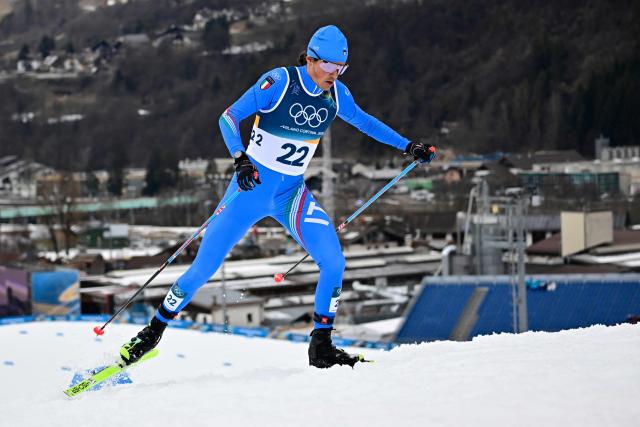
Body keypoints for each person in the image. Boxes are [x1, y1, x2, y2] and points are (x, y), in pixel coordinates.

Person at [119, 25, 436, 369]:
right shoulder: (280, 82)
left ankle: (322, 347)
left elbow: (365, 122)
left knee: (334, 262)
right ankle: (151, 333)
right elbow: (228, 117)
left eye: (341, 68)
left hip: (291, 194)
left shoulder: (337, 95)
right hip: (250, 191)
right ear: (311, 58)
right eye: (329, 66)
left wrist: (408, 146)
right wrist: (240, 157)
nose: (334, 74)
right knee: (203, 268)